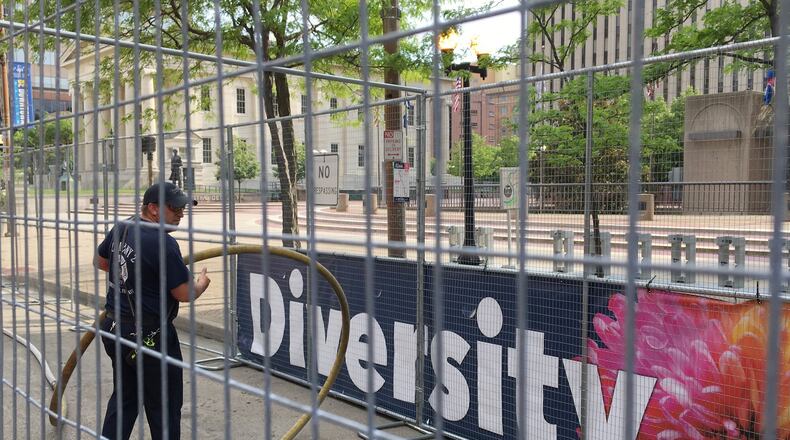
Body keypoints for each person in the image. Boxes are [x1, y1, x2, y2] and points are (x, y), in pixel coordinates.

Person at [94, 182, 210, 440]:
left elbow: (101, 261)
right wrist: (201, 283)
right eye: (175, 207)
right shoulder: (164, 243)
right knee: (164, 406)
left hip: (115, 329)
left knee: (125, 399)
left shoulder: (123, 227)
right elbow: (184, 292)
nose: (181, 213)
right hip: (150, 337)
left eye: (183, 208)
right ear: (154, 209)